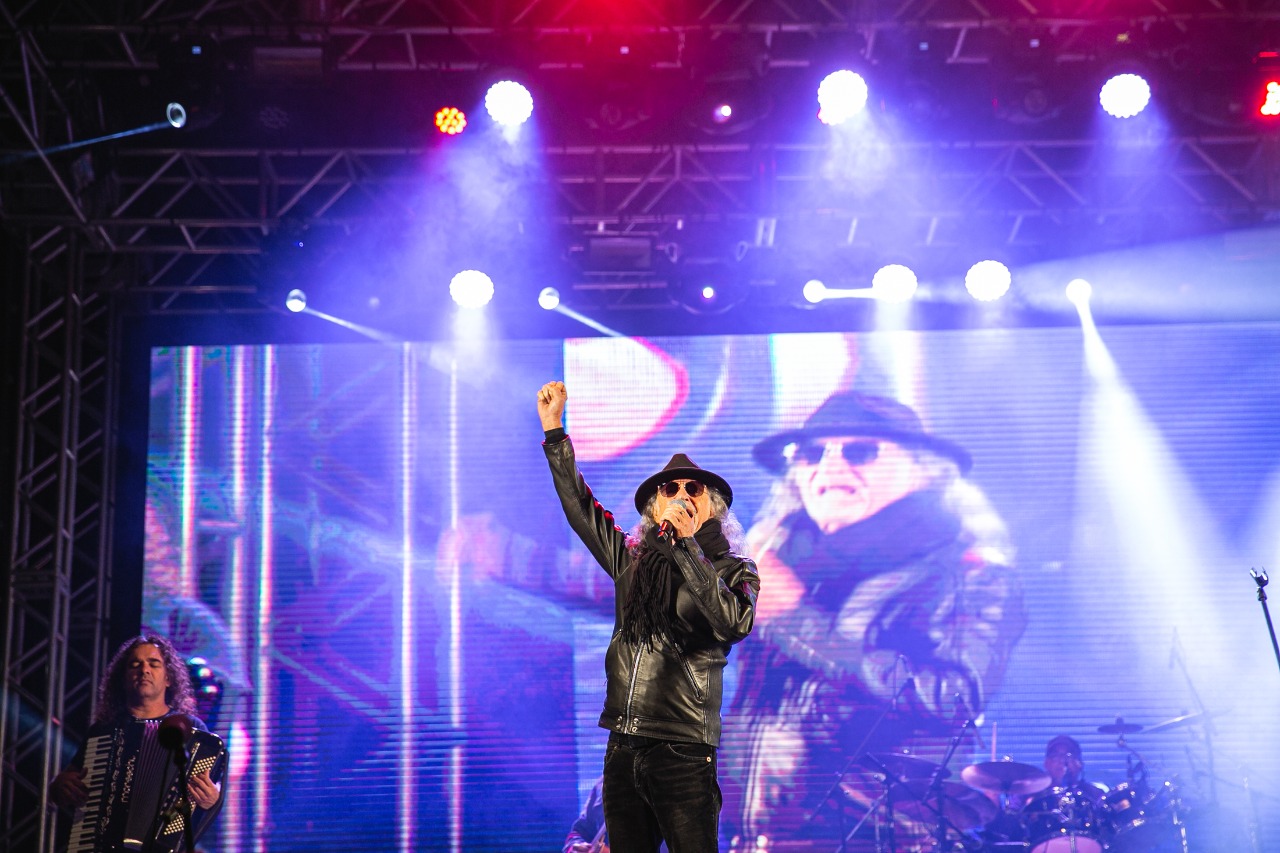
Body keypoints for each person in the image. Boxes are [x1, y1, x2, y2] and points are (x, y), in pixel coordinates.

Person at [722, 391, 1025, 847]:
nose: (830, 466)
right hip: (756, 837)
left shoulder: (971, 576)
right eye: (811, 453)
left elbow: (954, 699)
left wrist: (797, 620)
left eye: (860, 451)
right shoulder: (782, 558)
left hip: (883, 837)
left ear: (920, 469)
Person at [537, 380, 760, 853]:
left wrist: (689, 549)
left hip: (683, 748)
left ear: (713, 506)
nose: (681, 495)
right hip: (623, 742)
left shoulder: (733, 568)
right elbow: (580, 508)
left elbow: (733, 624)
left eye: (693, 489)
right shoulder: (631, 561)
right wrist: (555, 432)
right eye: (670, 489)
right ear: (654, 507)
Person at [48, 634, 225, 852]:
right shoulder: (104, 730)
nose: (144, 670)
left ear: (169, 678)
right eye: (135, 664)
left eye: (154, 663)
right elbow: (65, 786)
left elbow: (208, 791)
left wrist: (211, 800)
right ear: (123, 679)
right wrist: (59, 786)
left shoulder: (190, 728)